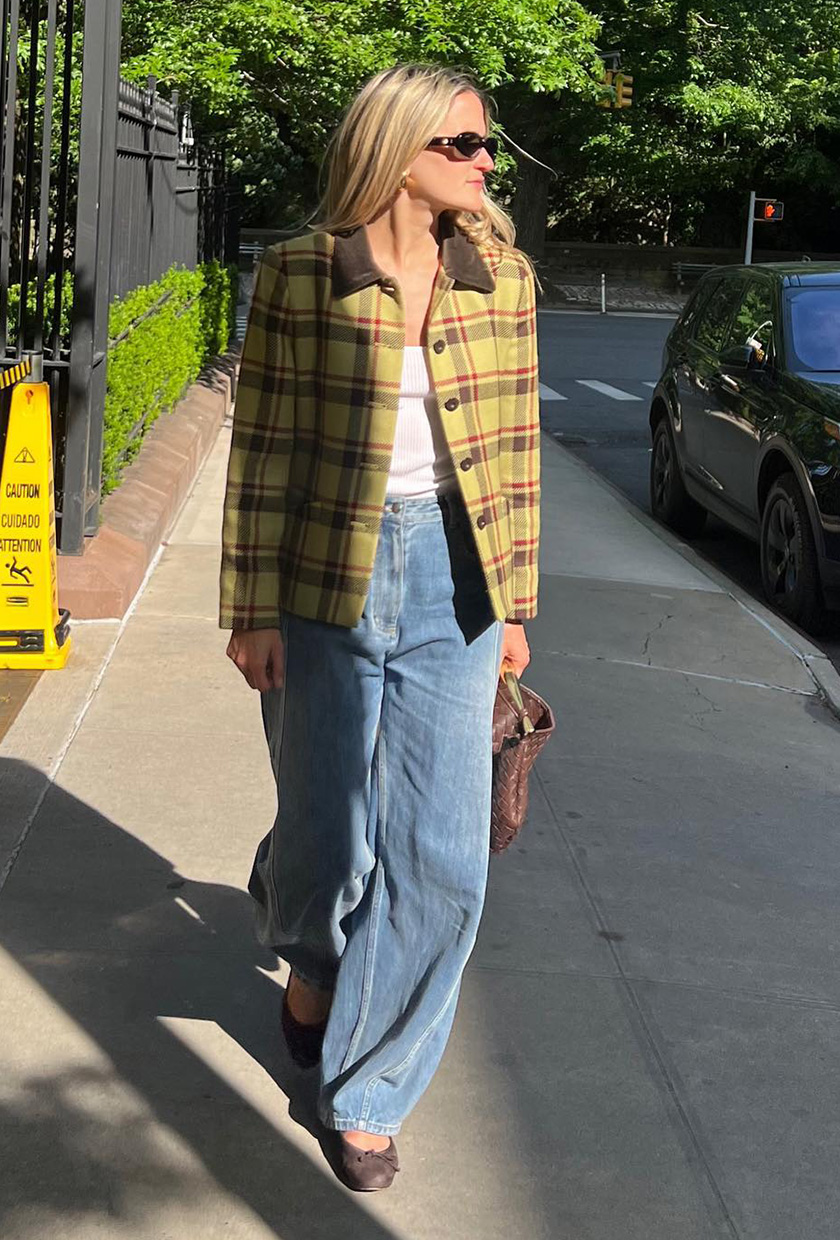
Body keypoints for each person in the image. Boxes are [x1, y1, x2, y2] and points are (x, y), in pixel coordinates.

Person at [220, 61, 540, 1192]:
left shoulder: (503, 277)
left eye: (486, 146)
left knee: (443, 854)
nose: (486, 164)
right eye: (463, 145)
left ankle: (368, 1091)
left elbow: (513, 458)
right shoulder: (304, 273)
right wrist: (250, 607)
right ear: (396, 149)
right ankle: (309, 957)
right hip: (324, 578)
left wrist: (514, 610)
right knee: (327, 837)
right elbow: (259, 449)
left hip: (455, 575)